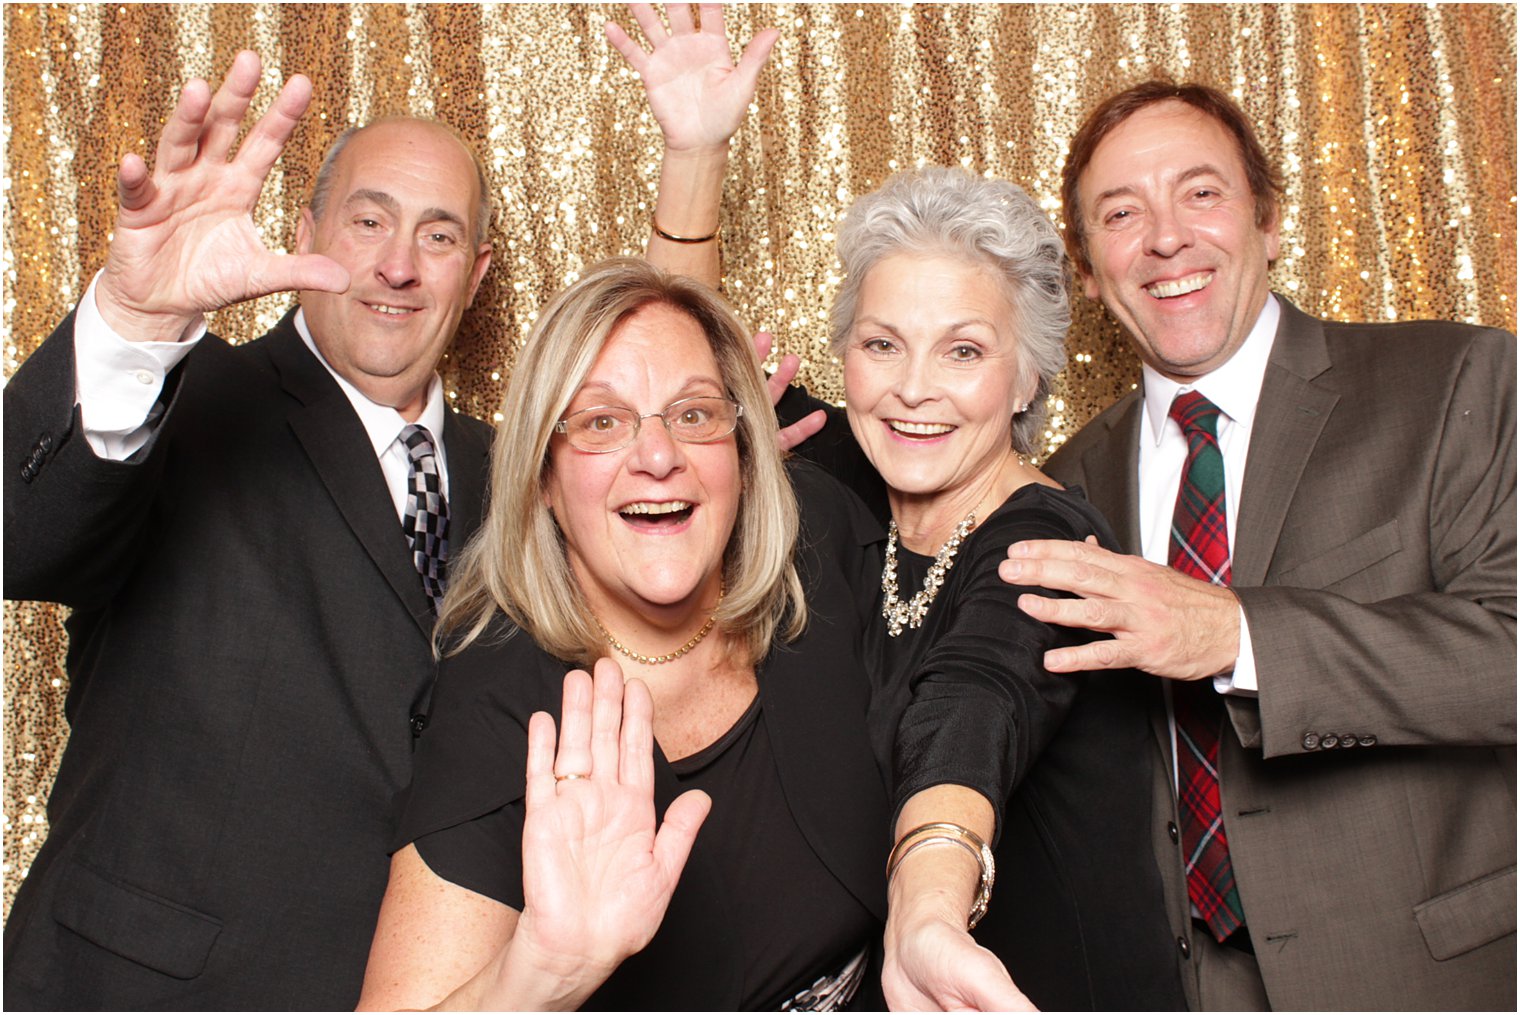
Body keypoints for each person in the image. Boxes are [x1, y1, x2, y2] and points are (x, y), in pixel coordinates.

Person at [1, 5, 773, 1003]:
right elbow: (24, 535)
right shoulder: (189, 400)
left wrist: (693, 167)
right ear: (303, 233)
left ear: (477, 273)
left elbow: (656, 408)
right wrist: (137, 319)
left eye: (437, 234)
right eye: (367, 221)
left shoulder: (520, 472)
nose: (397, 265)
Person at [1000, 80, 1516, 1010]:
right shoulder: (1065, 483)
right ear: (1085, 269)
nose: (1166, 239)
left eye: (1201, 194)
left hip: (1417, 977)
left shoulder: (1451, 382)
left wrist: (1239, 636)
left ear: (1269, 221)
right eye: (1122, 214)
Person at [356, 258, 893, 1011]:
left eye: (695, 414)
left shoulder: (819, 552)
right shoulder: (503, 713)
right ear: (542, 477)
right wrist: (545, 971)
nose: (658, 455)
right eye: (603, 422)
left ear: (743, 452)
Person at [765, 167, 1183, 1011]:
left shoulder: (1051, 541)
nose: (914, 387)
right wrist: (695, 154)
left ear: (1026, 378)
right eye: (882, 344)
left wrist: (927, 915)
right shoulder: (848, 462)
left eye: (963, 350)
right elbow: (674, 373)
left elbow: (971, 708)